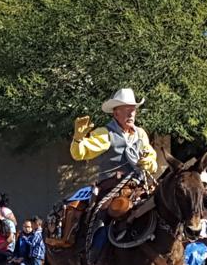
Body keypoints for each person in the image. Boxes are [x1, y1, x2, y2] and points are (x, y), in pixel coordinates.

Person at [59, 87, 158, 251]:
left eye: (133, 110)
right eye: (127, 111)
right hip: (112, 188)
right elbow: (79, 153)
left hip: (139, 186)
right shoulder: (105, 134)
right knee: (100, 219)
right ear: (116, 113)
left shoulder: (141, 134)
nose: (131, 114)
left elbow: (152, 160)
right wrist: (78, 138)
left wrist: (148, 162)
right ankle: (93, 256)